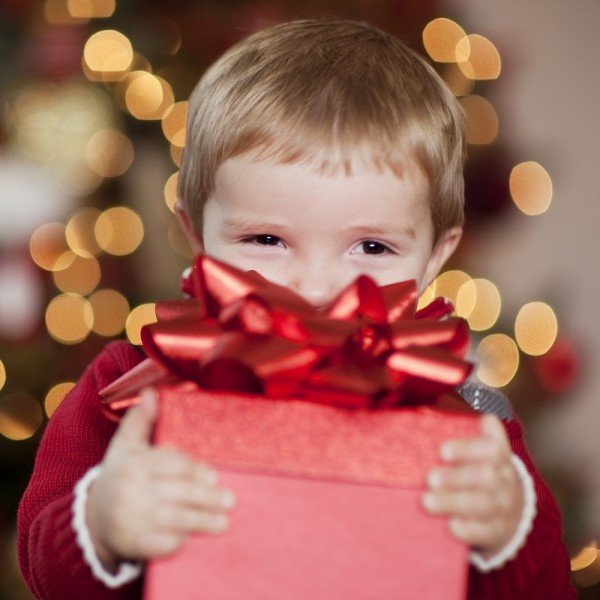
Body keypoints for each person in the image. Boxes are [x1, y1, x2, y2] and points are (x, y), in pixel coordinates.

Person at [17, 19, 576, 599]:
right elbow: (42, 566)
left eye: (372, 247)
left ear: (436, 256)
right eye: (266, 240)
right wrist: (101, 526)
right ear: (197, 234)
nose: (316, 288)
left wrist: (509, 532)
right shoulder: (129, 386)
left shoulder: (467, 419)